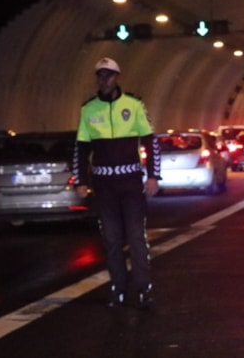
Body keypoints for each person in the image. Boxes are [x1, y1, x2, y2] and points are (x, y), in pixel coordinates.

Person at [73, 57, 161, 309]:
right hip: (104, 185)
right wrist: (80, 179)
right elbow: (81, 148)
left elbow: (150, 142)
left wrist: (153, 176)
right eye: (100, 75)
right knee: (111, 239)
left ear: (117, 78)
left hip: (131, 183)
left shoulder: (133, 106)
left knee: (135, 237)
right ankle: (118, 289)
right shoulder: (88, 110)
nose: (104, 80)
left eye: (109, 75)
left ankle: (145, 289)